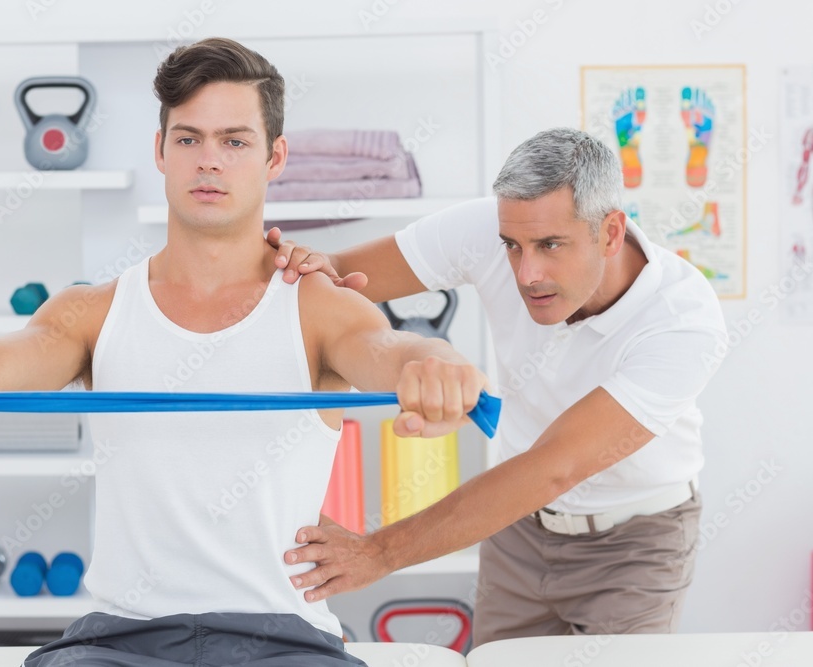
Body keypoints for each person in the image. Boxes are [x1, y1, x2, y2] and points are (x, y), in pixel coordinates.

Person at [0, 38, 486, 665]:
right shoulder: (93, 311)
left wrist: (437, 367)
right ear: (161, 151)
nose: (210, 160)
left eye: (234, 140)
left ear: (274, 157)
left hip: (280, 640)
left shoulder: (318, 306)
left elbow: (391, 348)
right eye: (189, 138)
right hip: (119, 639)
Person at [271, 127, 728, 646]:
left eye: (551, 245)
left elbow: (554, 467)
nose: (527, 272)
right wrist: (293, 267)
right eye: (513, 246)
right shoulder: (490, 228)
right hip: (520, 529)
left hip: (636, 544)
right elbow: (336, 277)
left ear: (611, 232)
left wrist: (379, 552)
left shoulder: (683, 320)